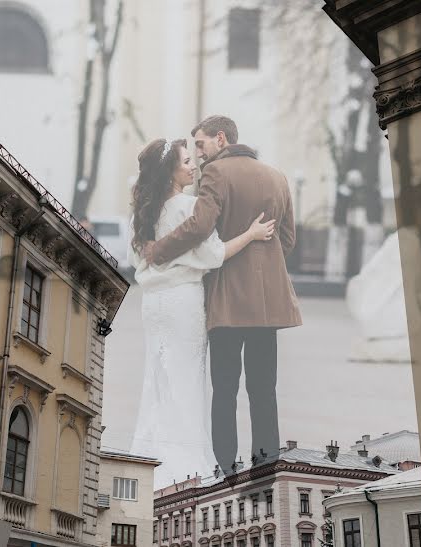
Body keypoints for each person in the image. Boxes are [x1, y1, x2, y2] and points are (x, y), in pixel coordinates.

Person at [144, 116, 302, 474]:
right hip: (267, 307)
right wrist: (262, 265)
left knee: (225, 391)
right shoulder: (277, 177)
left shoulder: (215, 174)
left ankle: (225, 472)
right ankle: (265, 470)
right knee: (264, 391)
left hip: (227, 303)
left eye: (200, 144)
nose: (198, 154)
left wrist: (158, 251)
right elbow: (287, 240)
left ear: (220, 139)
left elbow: (200, 226)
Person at [128, 137, 275, 487]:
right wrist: (252, 234)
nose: (194, 166)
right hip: (182, 300)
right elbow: (214, 255)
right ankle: (185, 467)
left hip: (153, 304)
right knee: (187, 383)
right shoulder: (188, 207)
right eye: (186, 162)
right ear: (170, 173)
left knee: (157, 379)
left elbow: (138, 259)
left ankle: (148, 461)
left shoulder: (142, 215)